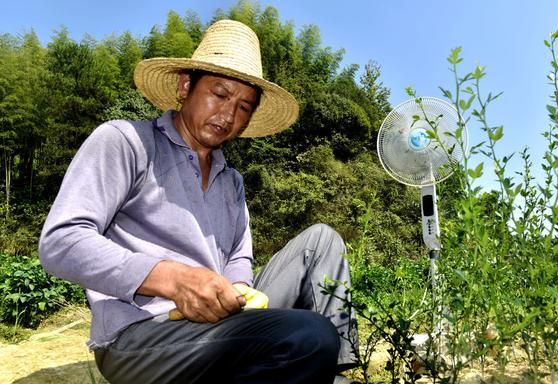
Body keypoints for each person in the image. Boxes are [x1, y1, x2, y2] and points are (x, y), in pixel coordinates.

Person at [39, 19, 358, 384]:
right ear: (185, 85)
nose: (228, 115)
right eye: (219, 94)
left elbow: (239, 256)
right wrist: (173, 279)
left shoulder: (231, 181)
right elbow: (61, 242)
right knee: (309, 334)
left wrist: (237, 286)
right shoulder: (125, 142)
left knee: (322, 240)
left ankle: (334, 372)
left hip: (222, 326)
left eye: (243, 107)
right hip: (144, 334)